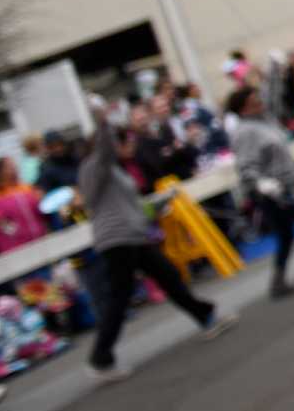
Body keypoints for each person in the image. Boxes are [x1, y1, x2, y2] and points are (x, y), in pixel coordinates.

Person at [81, 97, 236, 378]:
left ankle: (205, 316)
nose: (130, 147)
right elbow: (104, 146)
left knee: (167, 277)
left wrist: (161, 202)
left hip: (133, 236)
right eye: (124, 142)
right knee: (122, 296)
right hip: (118, 240)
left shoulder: (112, 171)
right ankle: (100, 357)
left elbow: (129, 205)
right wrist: (102, 117)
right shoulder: (95, 168)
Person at [227, 85, 294, 298]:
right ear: (244, 108)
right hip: (272, 192)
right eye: (255, 101)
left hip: (285, 185)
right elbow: (246, 166)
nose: (260, 102)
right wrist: (262, 183)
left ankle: (280, 281)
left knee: (287, 234)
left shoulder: (265, 122)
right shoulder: (246, 132)